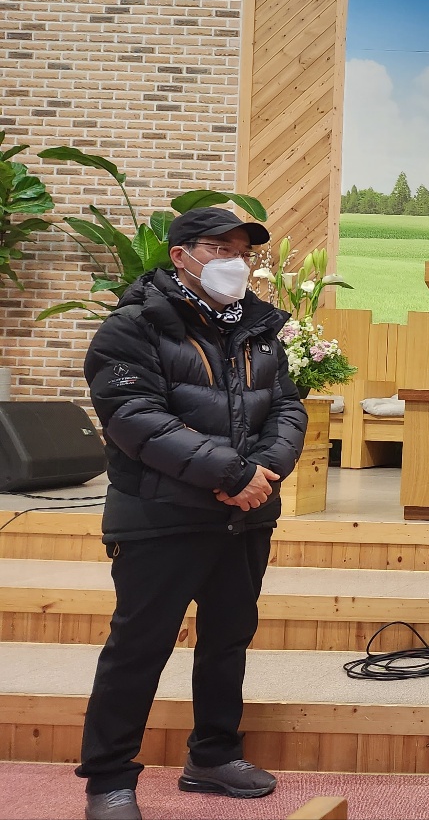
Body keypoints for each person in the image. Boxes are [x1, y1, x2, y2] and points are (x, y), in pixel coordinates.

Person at [76, 206, 308, 820]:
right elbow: (134, 418)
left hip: (244, 515)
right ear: (180, 256)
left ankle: (213, 754)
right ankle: (108, 780)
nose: (235, 262)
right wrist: (231, 474)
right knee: (139, 647)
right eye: (219, 248)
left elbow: (287, 406)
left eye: (243, 252)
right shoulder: (133, 326)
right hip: (161, 514)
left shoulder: (258, 326)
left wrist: (264, 472)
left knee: (228, 639)